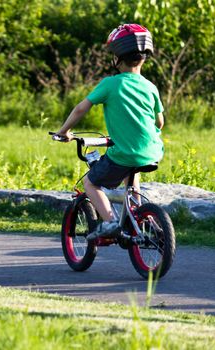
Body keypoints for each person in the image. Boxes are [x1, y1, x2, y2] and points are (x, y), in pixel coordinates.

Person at [57, 24, 165, 241]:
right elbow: (160, 122)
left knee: (91, 183)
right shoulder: (150, 86)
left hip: (123, 153)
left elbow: (81, 108)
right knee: (131, 182)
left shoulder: (110, 84)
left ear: (117, 58)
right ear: (144, 58)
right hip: (152, 152)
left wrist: (64, 131)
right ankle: (144, 221)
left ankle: (110, 222)